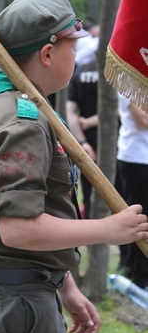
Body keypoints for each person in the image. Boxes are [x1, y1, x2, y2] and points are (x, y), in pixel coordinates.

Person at [0, 0, 148, 333]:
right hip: (10, 299)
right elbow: (19, 229)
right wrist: (106, 228)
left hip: (16, 286)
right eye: (73, 47)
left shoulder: (8, 103)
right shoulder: (20, 122)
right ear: (48, 53)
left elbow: (35, 209)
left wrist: (65, 284)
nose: (76, 56)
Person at [115, 95, 148, 289]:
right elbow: (142, 119)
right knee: (139, 218)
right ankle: (138, 275)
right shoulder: (132, 75)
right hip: (137, 158)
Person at [66, 29, 99, 219]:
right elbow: (121, 110)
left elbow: (70, 111)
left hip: (87, 143)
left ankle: (92, 226)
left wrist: (82, 142)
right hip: (115, 142)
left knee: (88, 189)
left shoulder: (79, 71)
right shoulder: (115, 72)